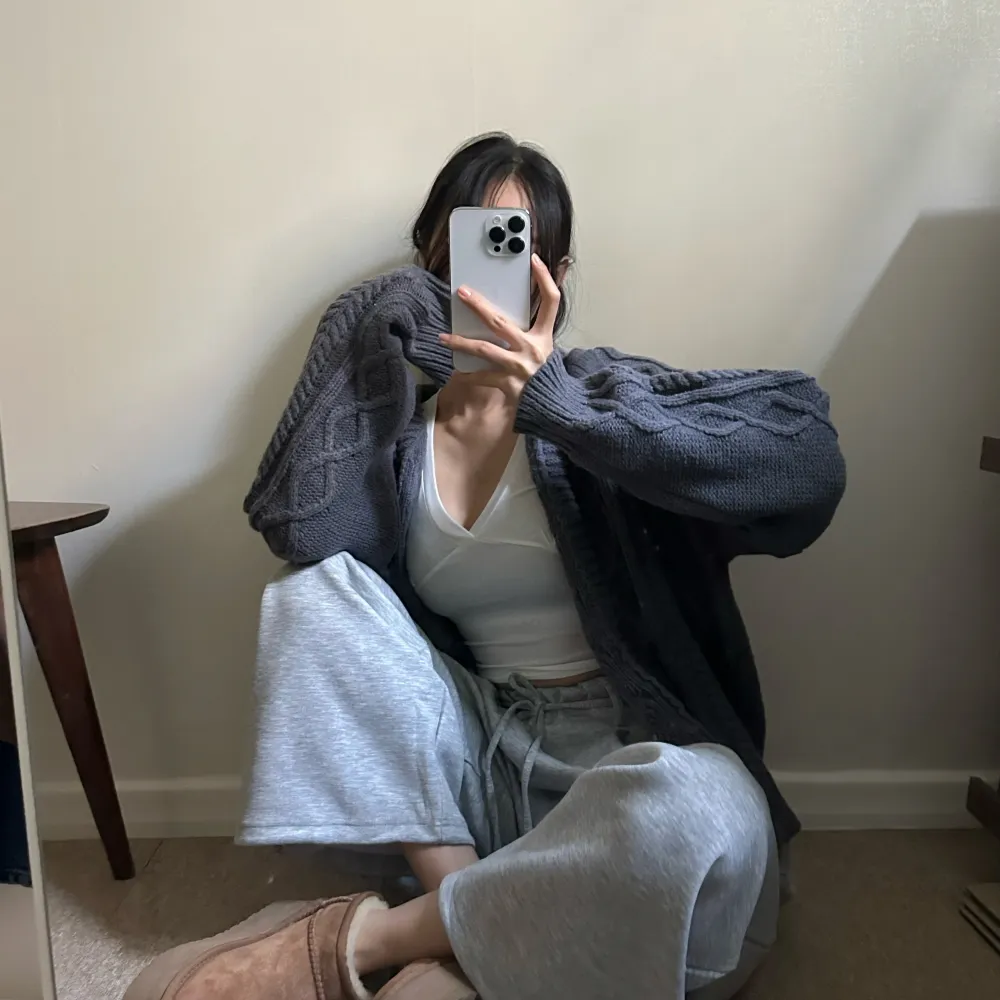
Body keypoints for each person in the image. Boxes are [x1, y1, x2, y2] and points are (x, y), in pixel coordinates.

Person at [127, 134, 846, 1000]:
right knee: (312, 597)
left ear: (556, 273)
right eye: (465, 248)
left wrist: (565, 408)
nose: (482, 279)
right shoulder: (400, 443)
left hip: (633, 772)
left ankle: (391, 940)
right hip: (484, 778)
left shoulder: (607, 400)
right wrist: (371, 326)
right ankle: (474, 914)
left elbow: (807, 461)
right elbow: (299, 529)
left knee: (693, 803)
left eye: (513, 248)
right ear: (430, 258)